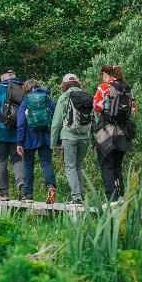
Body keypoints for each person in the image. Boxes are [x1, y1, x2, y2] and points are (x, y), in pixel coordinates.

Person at [92, 65, 136, 202]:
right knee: (117, 165)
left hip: (106, 131)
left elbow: (97, 106)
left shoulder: (103, 87)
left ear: (105, 74)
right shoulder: (126, 88)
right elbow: (134, 109)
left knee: (106, 164)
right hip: (123, 132)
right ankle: (121, 194)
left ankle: (112, 198)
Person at [49, 74, 92, 205]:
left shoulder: (64, 97)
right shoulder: (87, 96)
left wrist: (53, 143)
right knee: (78, 166)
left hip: (69, 136)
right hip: (85, 137)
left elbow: (56, 123)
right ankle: (81, 196)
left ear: (64, 84)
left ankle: (76, 197)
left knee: (70, 167)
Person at [14, 79, 57, 202]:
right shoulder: (47, 99)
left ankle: (28, 194)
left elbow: (21, 123)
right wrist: (56, 138)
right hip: (45, 137)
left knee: (28, 165)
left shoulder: (25, 102)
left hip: (29, 138)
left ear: (26, 90)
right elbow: (54, 117)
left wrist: (19, 142)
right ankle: (51, 186)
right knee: (46, 163)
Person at [0, 70, 24, 197]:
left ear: (2, 77)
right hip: (16, 131)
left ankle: (3, 193)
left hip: (1, 131)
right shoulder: (21, 88)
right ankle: (21, 184)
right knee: (17, 159)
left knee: (2, 160)